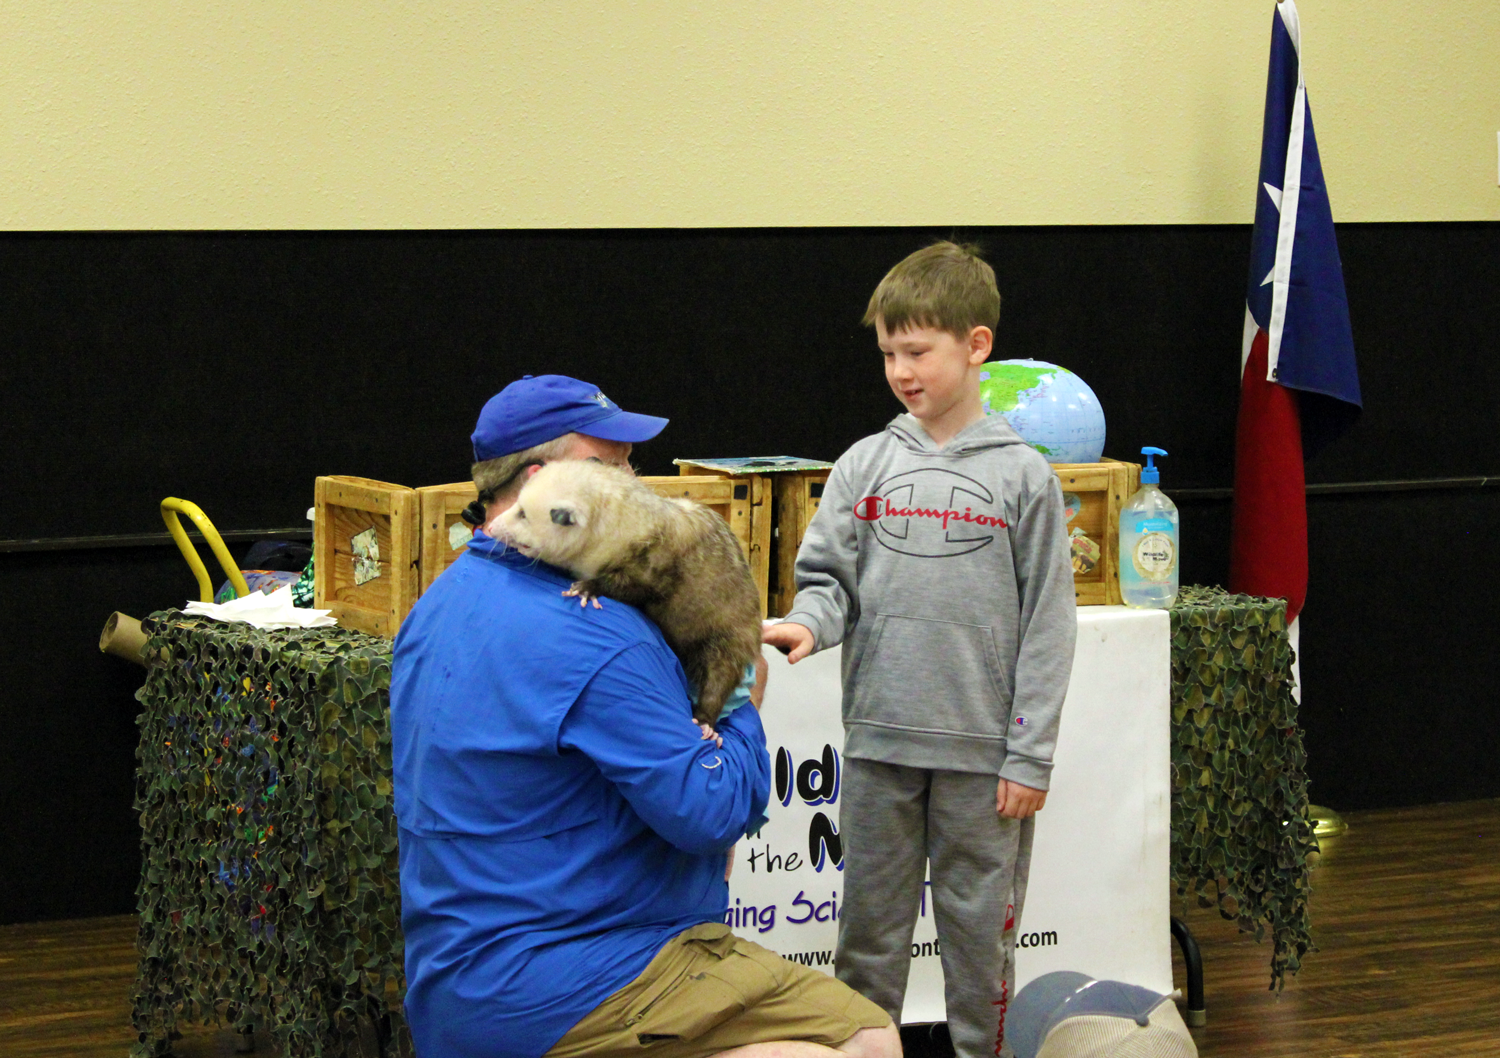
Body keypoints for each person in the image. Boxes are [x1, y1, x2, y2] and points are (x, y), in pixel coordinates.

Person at [391, 374, 900, 1058]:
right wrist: (744, 686)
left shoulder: (440, 601)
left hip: (455, 983)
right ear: (547, 482)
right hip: (584, 979)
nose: (636, 482)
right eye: (612, 466)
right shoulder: (599, 636)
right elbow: (714, 811)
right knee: (867, 1040)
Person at [763, 244, 1077, 1058]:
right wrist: (808, 622)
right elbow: (829, 582)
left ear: (976, 346)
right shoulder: (863, 465)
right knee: (867, 935)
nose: (902, 371)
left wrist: (1029, 755)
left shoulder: (1024, 478)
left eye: (918, 351)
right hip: (879, 746)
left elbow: (1048, 622)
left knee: (979, 943)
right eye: (888, 355)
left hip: (984, 762)